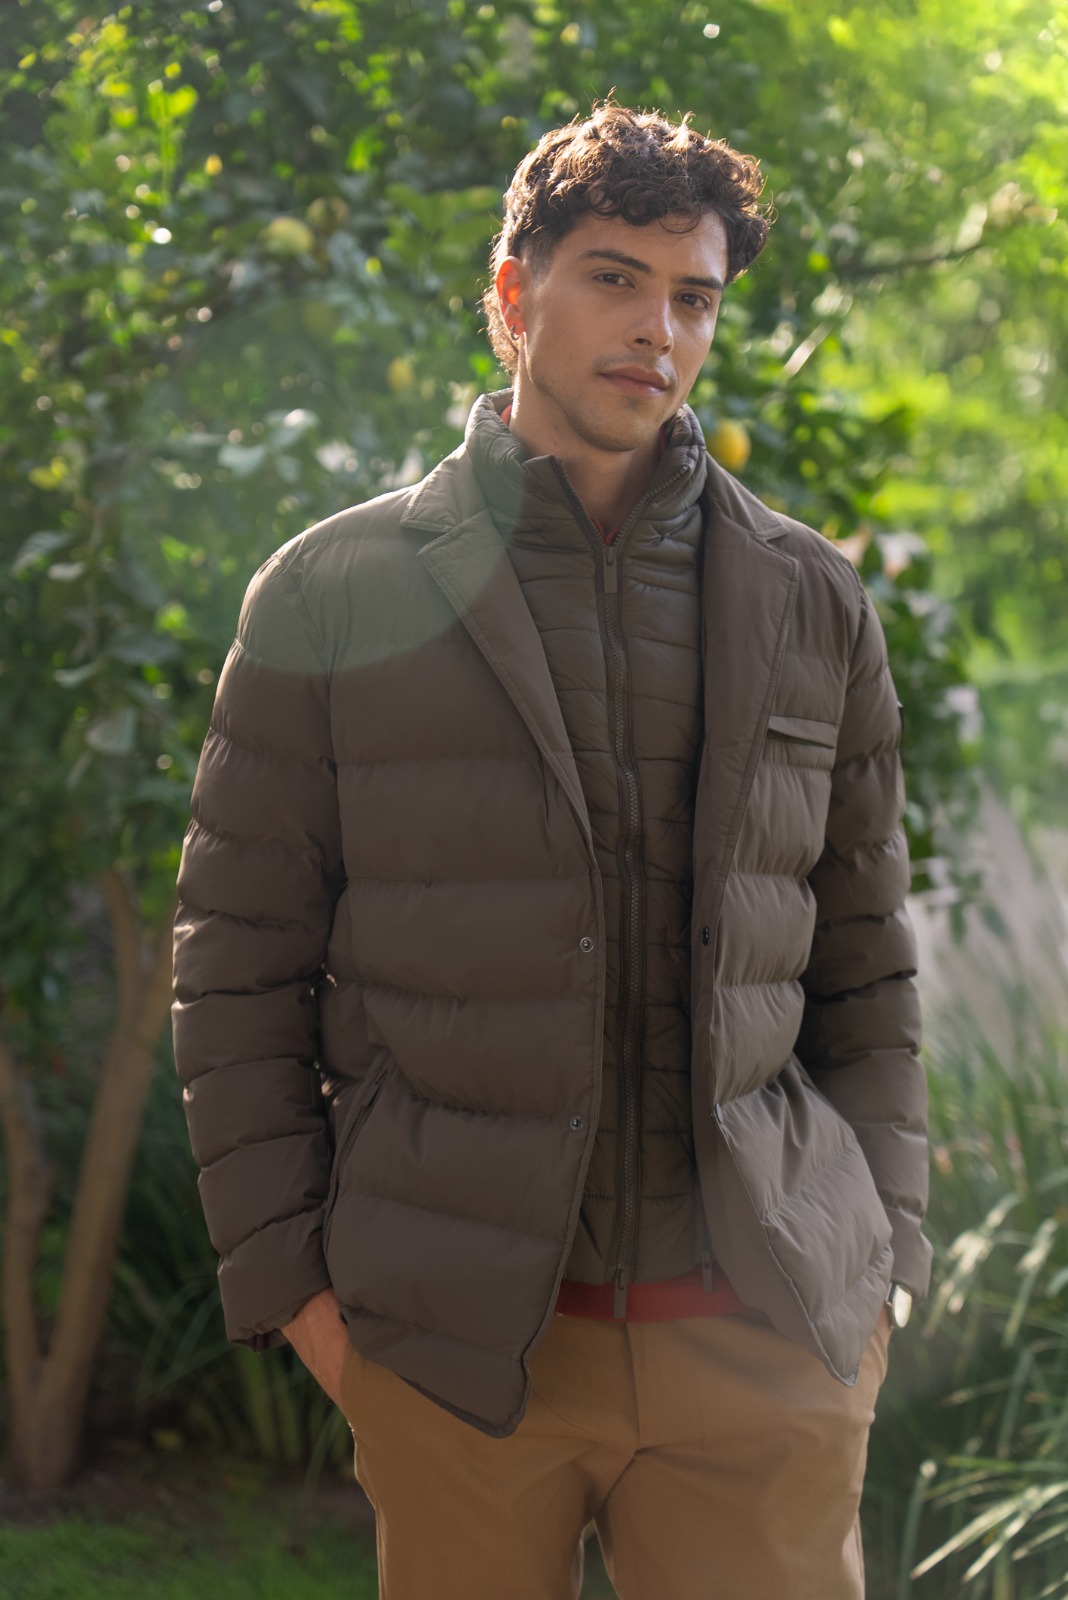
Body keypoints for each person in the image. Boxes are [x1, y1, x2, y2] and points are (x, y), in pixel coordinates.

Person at [172, 102, 931, 1600]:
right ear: (515, 295)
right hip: (455, 1352)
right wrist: (304, 1299)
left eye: (694, 296)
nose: (659, 329)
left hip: (764, 1344)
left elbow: (867, 966)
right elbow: (236, 968)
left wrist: (886, 1266)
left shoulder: (811, 599)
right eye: (615, 279)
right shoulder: (330, 592)